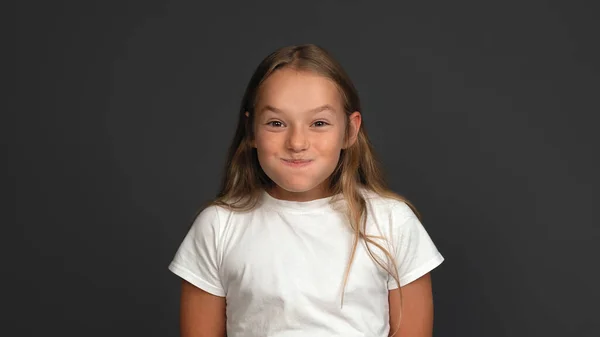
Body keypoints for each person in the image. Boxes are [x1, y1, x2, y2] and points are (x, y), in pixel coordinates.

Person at [168, 44, 444, 337]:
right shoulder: (218, 226)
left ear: (350, 131)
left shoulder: (392, 223)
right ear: (251, 131)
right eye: (276, 123)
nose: (297, 143)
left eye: (319, 123)